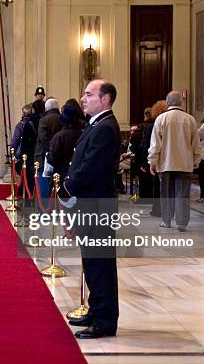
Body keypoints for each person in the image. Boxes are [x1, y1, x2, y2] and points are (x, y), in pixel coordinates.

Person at [63, 79, 120, 339]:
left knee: (100, 264)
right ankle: (96, 311)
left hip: (97, 206)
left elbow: (89, 167)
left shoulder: (105, 128)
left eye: (89, 94)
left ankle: (105, 321)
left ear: (105, 98)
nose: (83, 99)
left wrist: (66, 189)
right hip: (90, 205)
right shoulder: (96, 125)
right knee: (92, 261)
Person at [148, 91, 201, 232]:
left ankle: (166, 221)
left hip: (165, 163)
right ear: (181, 102)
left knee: (166, 193)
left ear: (167, 102)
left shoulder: (161, 119)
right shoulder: (190, 119)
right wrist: (196, 159)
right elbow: (196, 143)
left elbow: (155, 144)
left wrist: (152, 161)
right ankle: (182, 222)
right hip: (184, 163)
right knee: (183, 193)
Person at [46, 99, 84, 179]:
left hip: (61, 174)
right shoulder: (84, 133)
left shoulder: (59, 136)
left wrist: (48, 156)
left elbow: (52, 158)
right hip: (78, 173)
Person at [34, 98, 62, 198]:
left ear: (46, 108)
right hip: (59, 154)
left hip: (43, 156)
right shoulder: (62, 118)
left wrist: (49, 152)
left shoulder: (44, 120)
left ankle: (44, 209)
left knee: (44, 184)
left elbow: (43, 139)